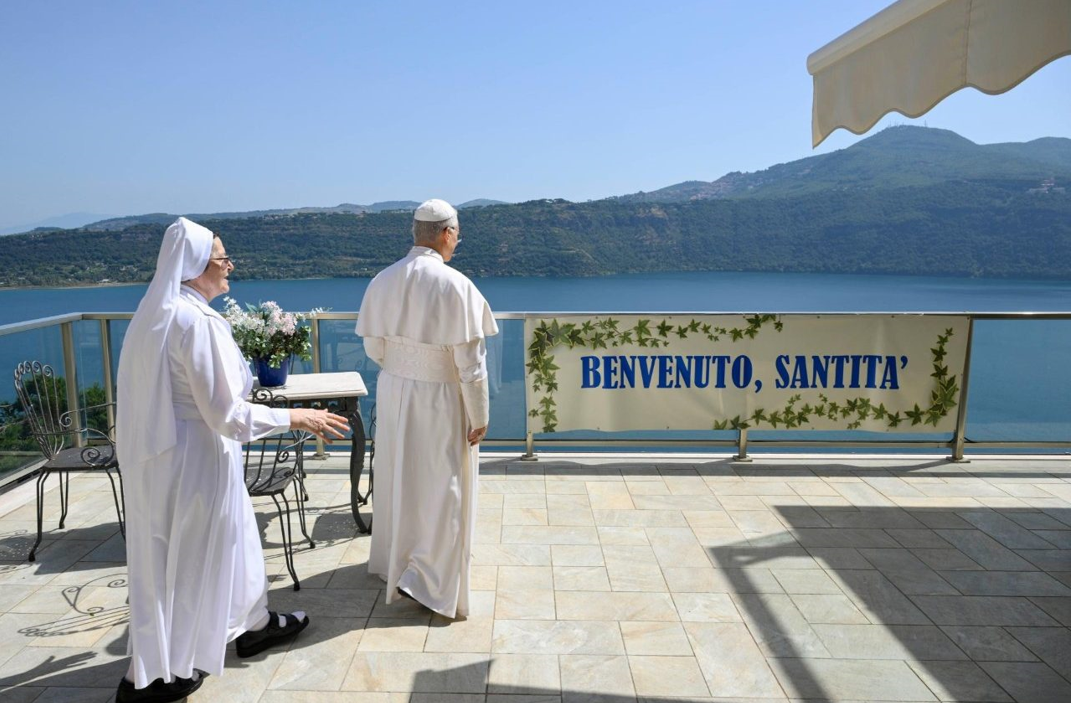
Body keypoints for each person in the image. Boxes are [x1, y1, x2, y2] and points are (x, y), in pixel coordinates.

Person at [115, 217, 349, 703]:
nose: (229, 265)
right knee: (189, 559)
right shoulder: (195, 322)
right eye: (222, 257)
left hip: (160, 456)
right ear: (198, 265)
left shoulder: (153, 313)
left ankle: (253, 624)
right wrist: (296, 417)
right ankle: (167, 671)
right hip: (195, 459)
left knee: (233, 540)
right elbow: (225, 414)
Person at [356, 198, 498, 619]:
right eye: (457, 235)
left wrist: (404, 369)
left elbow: (373, 346)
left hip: (395, 390)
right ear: (446, 234)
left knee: (400, 474)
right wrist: (480, 416)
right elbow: (470, 366)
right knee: (442, 485)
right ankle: (433, 580)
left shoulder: (382, 280)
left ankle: (397, 562)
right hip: (439, 396)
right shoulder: (457, 286)